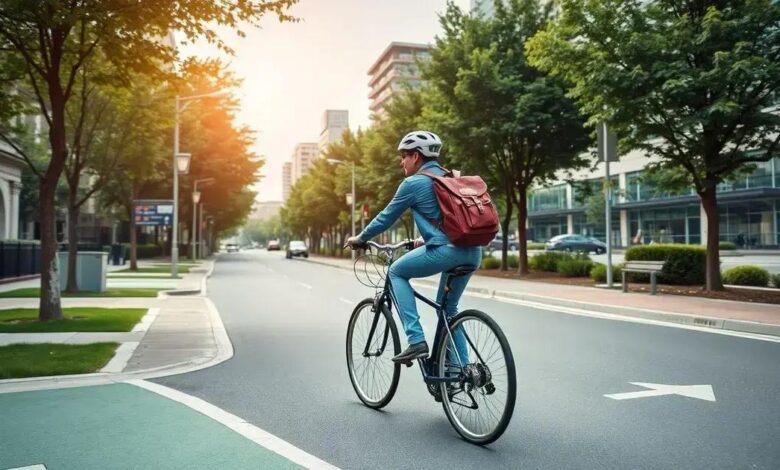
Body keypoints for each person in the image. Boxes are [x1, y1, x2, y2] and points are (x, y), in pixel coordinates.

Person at [345, 131, 482, 363]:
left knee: (396, 271)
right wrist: (425, 238)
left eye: (404, 156)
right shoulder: (451, 177)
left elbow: (385, 218)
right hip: (473, 250)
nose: (401, 162)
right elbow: (447, 217)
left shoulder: (413, 183)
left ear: (416, 157)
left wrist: (360, 238)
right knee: (449, 311)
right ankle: (464, 370)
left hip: (446, 251)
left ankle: (416, 340)